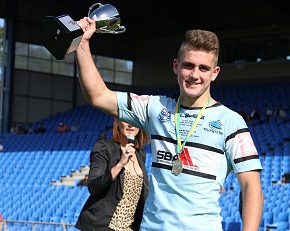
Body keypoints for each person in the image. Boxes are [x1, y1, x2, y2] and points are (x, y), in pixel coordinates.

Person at [75, 17, 264, 231]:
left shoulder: (231, 122)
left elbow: (251, 186)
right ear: (176, 66)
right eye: (188, 66)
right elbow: (98, 95)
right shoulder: (156, 108)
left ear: (215, 73)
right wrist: (82, 44)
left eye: (204, 68)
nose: (194, 75)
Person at [75, 118, 149, 231]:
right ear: (118, 123)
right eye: (126, 119)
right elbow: (94, 186)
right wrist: (120, 164)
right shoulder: (104, 147)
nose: (131, 124)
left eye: (135, 120)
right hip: (103, 226)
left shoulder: (140, 154)